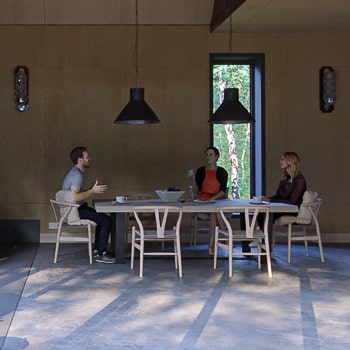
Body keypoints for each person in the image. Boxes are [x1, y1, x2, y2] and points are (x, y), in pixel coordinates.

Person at [62, 146, 116, 264]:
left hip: (74, 209)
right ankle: (100, 253)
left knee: (103, 219)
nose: (89, 159)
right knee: (106, 221)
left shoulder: (74, 173)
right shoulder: (77, 175)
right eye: (87, 157)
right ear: (80, 160)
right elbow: (74, 197)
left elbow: (75, 194)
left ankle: (98, 250)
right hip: (75, 211)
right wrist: (92, 191)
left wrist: (91, 188)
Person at [258, 151, 307, 256]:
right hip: (283, 206)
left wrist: (271, 201)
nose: (280, 162)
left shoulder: (300, 180)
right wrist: (267, 199)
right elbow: (279, 195)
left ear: (290, 161)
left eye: (283, 159)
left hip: (292, 210)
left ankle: (266, 242)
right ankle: (264, 241)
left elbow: (292, 201)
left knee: (266, 215)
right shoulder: (286, 178)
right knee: (260, 214)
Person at [193, 146, 228, 255]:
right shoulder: (200, 171)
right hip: (202, 201)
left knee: (214, 212)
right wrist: (193, 180)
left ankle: (211, 245)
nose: (208, 157)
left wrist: (211, 199)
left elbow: (222, 191)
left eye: (211, 154)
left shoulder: (222, 172)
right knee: (215, 211)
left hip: (217, 200)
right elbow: (196, 191)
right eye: (207, 154)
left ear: (217, 156)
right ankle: (226, 238)